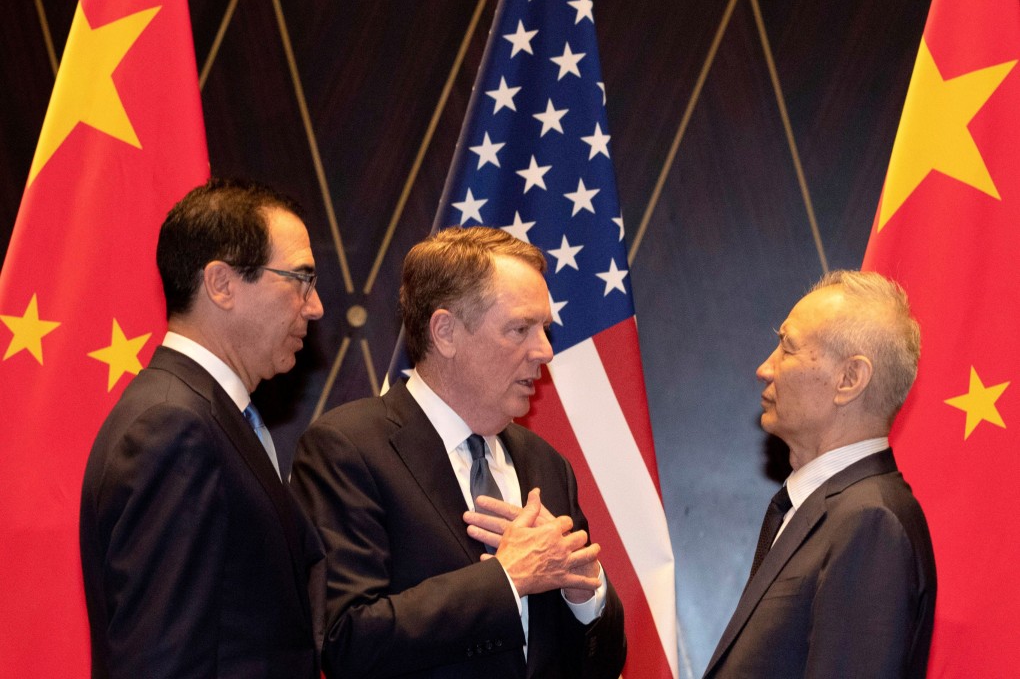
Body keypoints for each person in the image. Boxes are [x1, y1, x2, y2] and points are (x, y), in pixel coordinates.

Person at [291, 226, 626, 678]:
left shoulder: (547, 464)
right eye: (520, 329)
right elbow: (347, 639)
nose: (545, 351)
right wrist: (506, 579)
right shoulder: (348, 449)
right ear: (445, 332)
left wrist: (587, 592)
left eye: (544, 329)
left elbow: (602, 664)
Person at [79, 178, 326, 679]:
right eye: (299, 279)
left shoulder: (203, 414)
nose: (315, 305)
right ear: (222, 284)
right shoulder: (173, 427)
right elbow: (160, 662)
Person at [703, 270, 937, 678]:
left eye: (787, 348)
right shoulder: (830, 510)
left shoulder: (870, 524)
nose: (764, 369)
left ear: (849, 379)